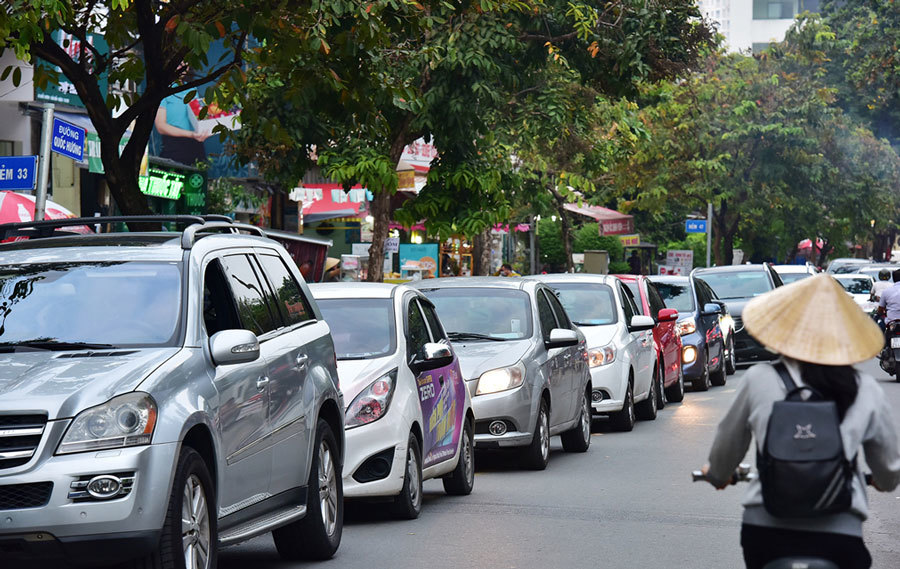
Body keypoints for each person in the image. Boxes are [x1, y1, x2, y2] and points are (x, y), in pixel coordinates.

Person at [701, 274, 900, 569]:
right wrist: (883, 481)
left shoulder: (759, 379)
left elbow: (725, 450)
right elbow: (889, 469)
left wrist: (718, 475)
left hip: (765, 531)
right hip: (839, 534)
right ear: (843, 334)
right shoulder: (863, 387)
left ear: (786, 330)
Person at [154, 89, 210, 166]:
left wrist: (207, 129)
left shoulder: (193, 88)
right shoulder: (163, 89)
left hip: (197, 145)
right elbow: (161, 126)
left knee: (198, 176)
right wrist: (191, 134)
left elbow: (200, 117)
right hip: (174, 146)